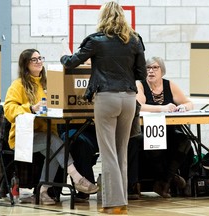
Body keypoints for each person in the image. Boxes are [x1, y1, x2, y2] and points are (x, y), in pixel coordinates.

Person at [60, 1, 146, 214]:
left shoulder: (96, 41)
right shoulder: (134, 40)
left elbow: (71, 62)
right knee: (121, 152)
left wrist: (63, 54)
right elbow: (141, 74)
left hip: (106, 98)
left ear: (103, 17)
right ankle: (122, 202)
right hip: (128, 98)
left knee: (108, 154)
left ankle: (113, 204)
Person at [3, 48, 99, 205]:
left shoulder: (48, 83)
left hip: (47, 132)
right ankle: (77, 178)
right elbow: (8, 110)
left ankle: (42, 191)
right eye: (34, 59)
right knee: (55, 143)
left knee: (55, 148)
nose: (39, 61)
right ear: (25, 64)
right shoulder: (18, 85)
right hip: (23, 137)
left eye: (40, 58)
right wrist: (31, 108)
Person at [128, 56, 194, 199]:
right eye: (148, 68)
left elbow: (189, 103)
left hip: (169, 129)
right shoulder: (140, 84)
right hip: (148, 129)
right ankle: (169, 179)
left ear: (162, 71)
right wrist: (163, 108)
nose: (151, 71)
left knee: (184, 141)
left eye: (155, 68)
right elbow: (138, 106)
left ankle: (164, 181)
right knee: (155, 143)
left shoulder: (169, 84)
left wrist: (182, 106)